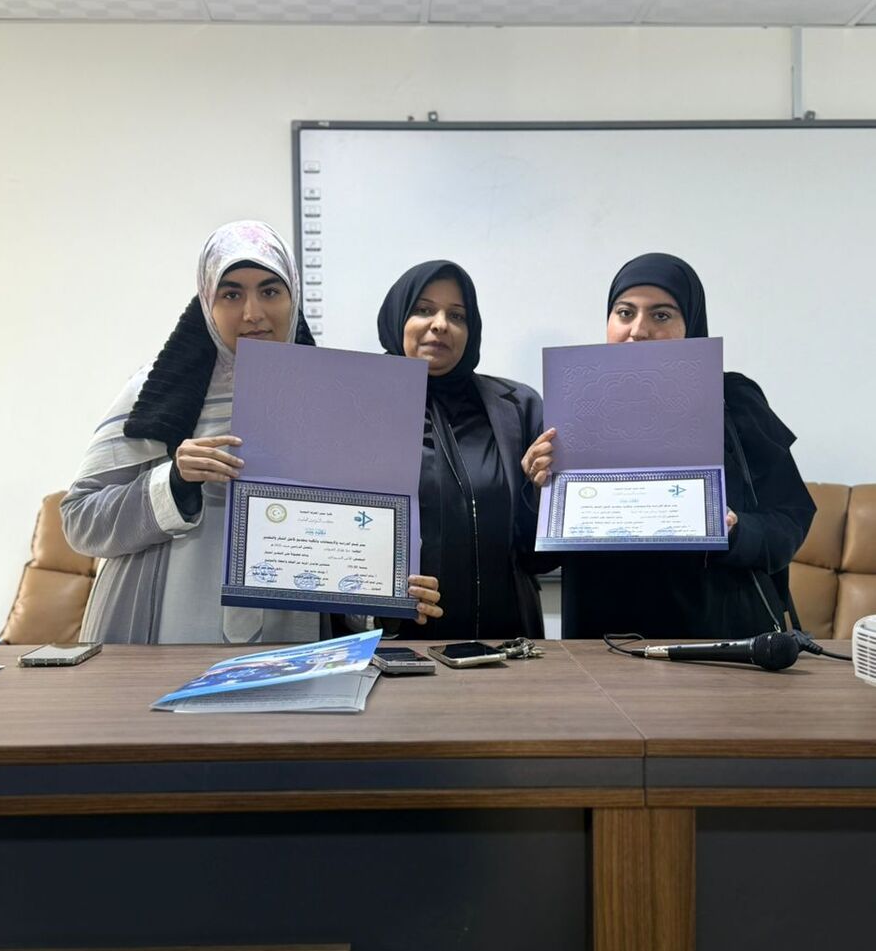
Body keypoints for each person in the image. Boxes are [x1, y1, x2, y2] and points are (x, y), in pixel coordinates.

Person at [62, 220, 441, 644]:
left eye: (270, 291)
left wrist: (386, 595)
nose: (253, 313)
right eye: (231, 294)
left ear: (293, 297)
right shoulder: (155, 392)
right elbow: (80, 520)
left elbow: (342, 546)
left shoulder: (336, 401)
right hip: (166, 636)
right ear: (207, 302)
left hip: (289, 643)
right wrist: (173, 482)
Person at [521, 252, 816, 640]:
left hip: (717, 640)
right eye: (625, 313)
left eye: (661, 315)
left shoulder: (733, 401)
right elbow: (534, 558)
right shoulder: (574, 407)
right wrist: (538, 492)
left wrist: (735, 531)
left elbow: (789, 520)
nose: (638, 330)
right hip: (602, 640)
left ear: (690, 323)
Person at [377, 259, 547, 639]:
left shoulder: (519, 407)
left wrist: (540, 493)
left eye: (457, 315)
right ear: (397, 317)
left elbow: (538, 558)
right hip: (404, 643)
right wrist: (379, 589)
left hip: (508, 645)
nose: (440, 324)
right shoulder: (360, 406)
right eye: (424, 310)